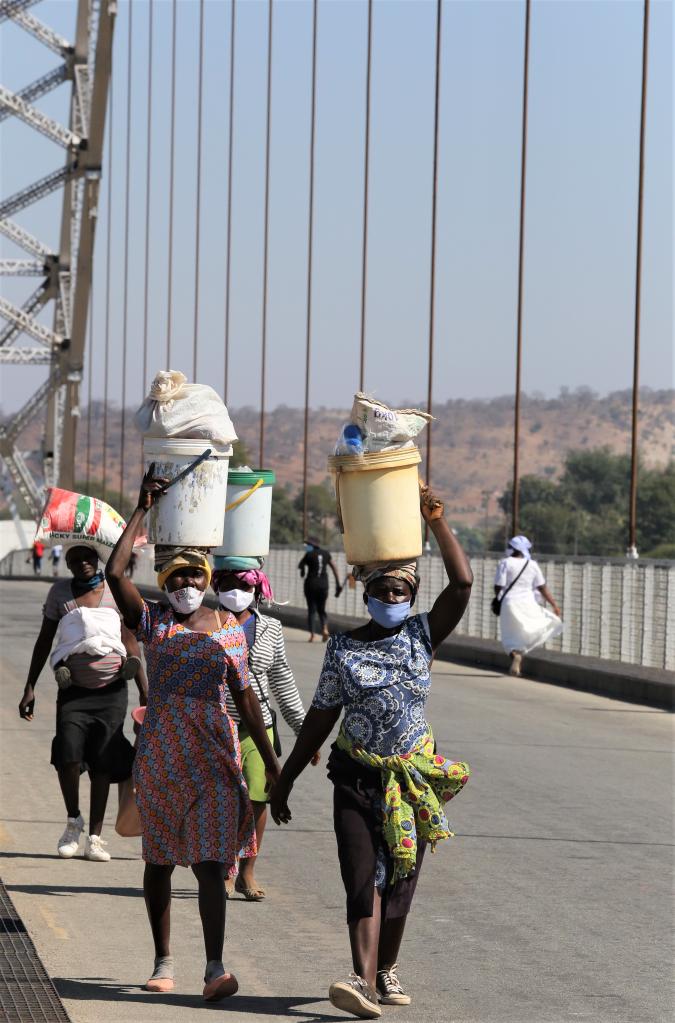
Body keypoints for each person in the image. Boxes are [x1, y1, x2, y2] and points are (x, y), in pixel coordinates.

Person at [271, 484, 473, 1020]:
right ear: (364, 593)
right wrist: (285, 778)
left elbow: (463, 582)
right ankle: (361, 980)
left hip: (411, 781)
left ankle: (385, 968)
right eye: (381, 591)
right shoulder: (343, 648)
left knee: (400, 880)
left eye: (398, 592)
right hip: (355, 777)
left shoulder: (422, 636)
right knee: (362, 878)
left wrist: (436, 521)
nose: (390, 600)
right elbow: (319, 718)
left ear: (412, 593)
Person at [105, 470, 281, 1002]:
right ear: (165, 582)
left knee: (209, 863)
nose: (185, 587)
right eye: (176, 579)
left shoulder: (229, 628)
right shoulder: (154, 621)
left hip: (212, 754)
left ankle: (214, 967)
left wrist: (273, 764)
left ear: (207, 579)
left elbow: (247, 698)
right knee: (158, 861)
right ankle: (162, 960)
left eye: (193, 578)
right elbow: (116, 574)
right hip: (161, 755)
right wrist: (141, 509)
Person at [18, 544, 146, 862]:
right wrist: (30, 686)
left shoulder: (115, 592)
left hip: (112, 692)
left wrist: (145, 690)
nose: (82, 563)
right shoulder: (60, 594)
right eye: (74, 560)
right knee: (68, 753)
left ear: (98, 559)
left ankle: (95, 837)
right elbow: (46, 639)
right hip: (74, 693)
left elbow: (130, 638)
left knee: (103, 762)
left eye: (88, 558)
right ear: (68, 564)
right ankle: (74, 820)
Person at [212, 556, 321, 901]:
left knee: (259, 799)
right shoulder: (205, 623)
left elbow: (283, 681)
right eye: (228, 585)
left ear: (257, 588)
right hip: (218, 727)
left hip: (261, 730)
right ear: (216, 587)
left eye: (243, 586)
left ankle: (247, 871)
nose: (236, 592)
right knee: (225, 802)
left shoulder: (271, 629)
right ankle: (224, 869)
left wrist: (305, 732)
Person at [493, 535, 563, 677]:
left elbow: (498, 586)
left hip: (510, 603)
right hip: (528, 603)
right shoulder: (532, 565)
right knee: (525, 633)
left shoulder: (505, 563)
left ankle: (514, 656)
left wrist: (498, 598)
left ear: (512, 549)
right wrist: (554, 604)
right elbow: (542, 587)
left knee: (509, 637)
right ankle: (519, 663)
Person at [298, 537, 341, 642]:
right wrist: (338, 584)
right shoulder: (326, 554)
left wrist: (303, 570)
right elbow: (334, 568)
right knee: (321, 609)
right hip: (323, 585)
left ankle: (312, 635)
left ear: (312, 545)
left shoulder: (308, 554)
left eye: (308, 545)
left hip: (311, 585)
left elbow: (301, 565)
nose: (307, 547)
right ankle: (325, 629)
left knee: (312, 610)